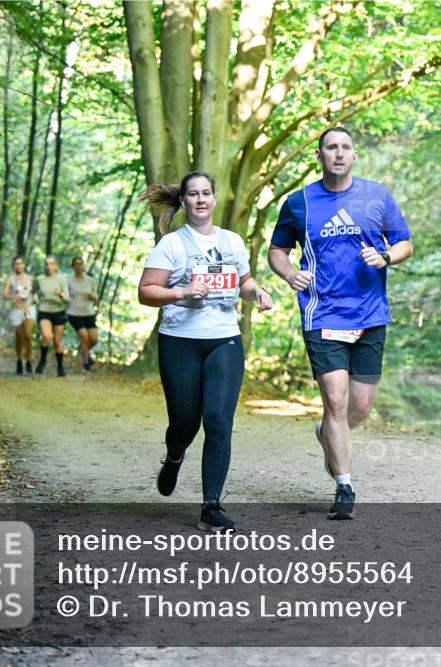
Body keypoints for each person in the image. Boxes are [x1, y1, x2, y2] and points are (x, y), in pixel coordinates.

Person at [267, 127, 412, 520]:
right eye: (331, 147)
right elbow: (277, 250)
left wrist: (386, 256)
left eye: (345, 147)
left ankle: (326, 433)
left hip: (370, 314)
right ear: (319, 156)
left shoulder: (377, 195)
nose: (339, 153)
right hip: (322, 312)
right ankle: (344, 485)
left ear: (355, 155)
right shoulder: (299, 203)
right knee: (335, 400)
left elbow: (404, 242)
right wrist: (287, 274)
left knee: (360, 408)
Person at [138, 171, 273, 533]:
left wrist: (257, 292)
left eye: (206, 193)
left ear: (214, 199)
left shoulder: (232, 241)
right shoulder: (172, 245)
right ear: (183, 201)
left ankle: (211, 506)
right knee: (185, 423)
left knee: (217, 421)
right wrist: (182, 292)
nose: (200, 199)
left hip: (224, 338)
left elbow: (243, 281)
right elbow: (147, 291)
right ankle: (174, 455)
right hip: (180, 341)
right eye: (193, 194)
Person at [33, 255, 70, 377]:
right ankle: (43, 360)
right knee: (46, 336)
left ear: (56, 265)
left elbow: (67, 299)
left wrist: (61, 294)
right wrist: (35, 299)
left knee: (57, 342)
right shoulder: (39, 279)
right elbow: (32, 293)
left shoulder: (61, 279)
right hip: (44, 310)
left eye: (51, 264)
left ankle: (60, 366)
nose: (49, 266)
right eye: (47, 264)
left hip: (59, 311)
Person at [3, 256, 35, 375]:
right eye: (16, 264)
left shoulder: (31, 279)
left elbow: (35, 295)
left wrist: (32, 302)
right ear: (13, 266)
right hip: (16, 310)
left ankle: (28, 359)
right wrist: (13, 297)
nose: (19, 266)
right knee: (18, 338)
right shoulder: (10, 279)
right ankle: (19, 360)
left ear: (24, 265)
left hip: (29, 310)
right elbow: (4, 295)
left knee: (28, 335)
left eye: (21, 263)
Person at [67, 257, 100, 371]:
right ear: (73, 266)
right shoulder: (68, 281)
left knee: (94, 339)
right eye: (76, 264)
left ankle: (83, 352)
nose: (79, 266)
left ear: (84, 265)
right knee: (85, 338)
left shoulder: (91, 280)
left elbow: (96, 296)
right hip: (74, 313)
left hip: (88, 313)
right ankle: (86, 362)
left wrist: (93, 296)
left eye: (80, 264)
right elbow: (65, 296)